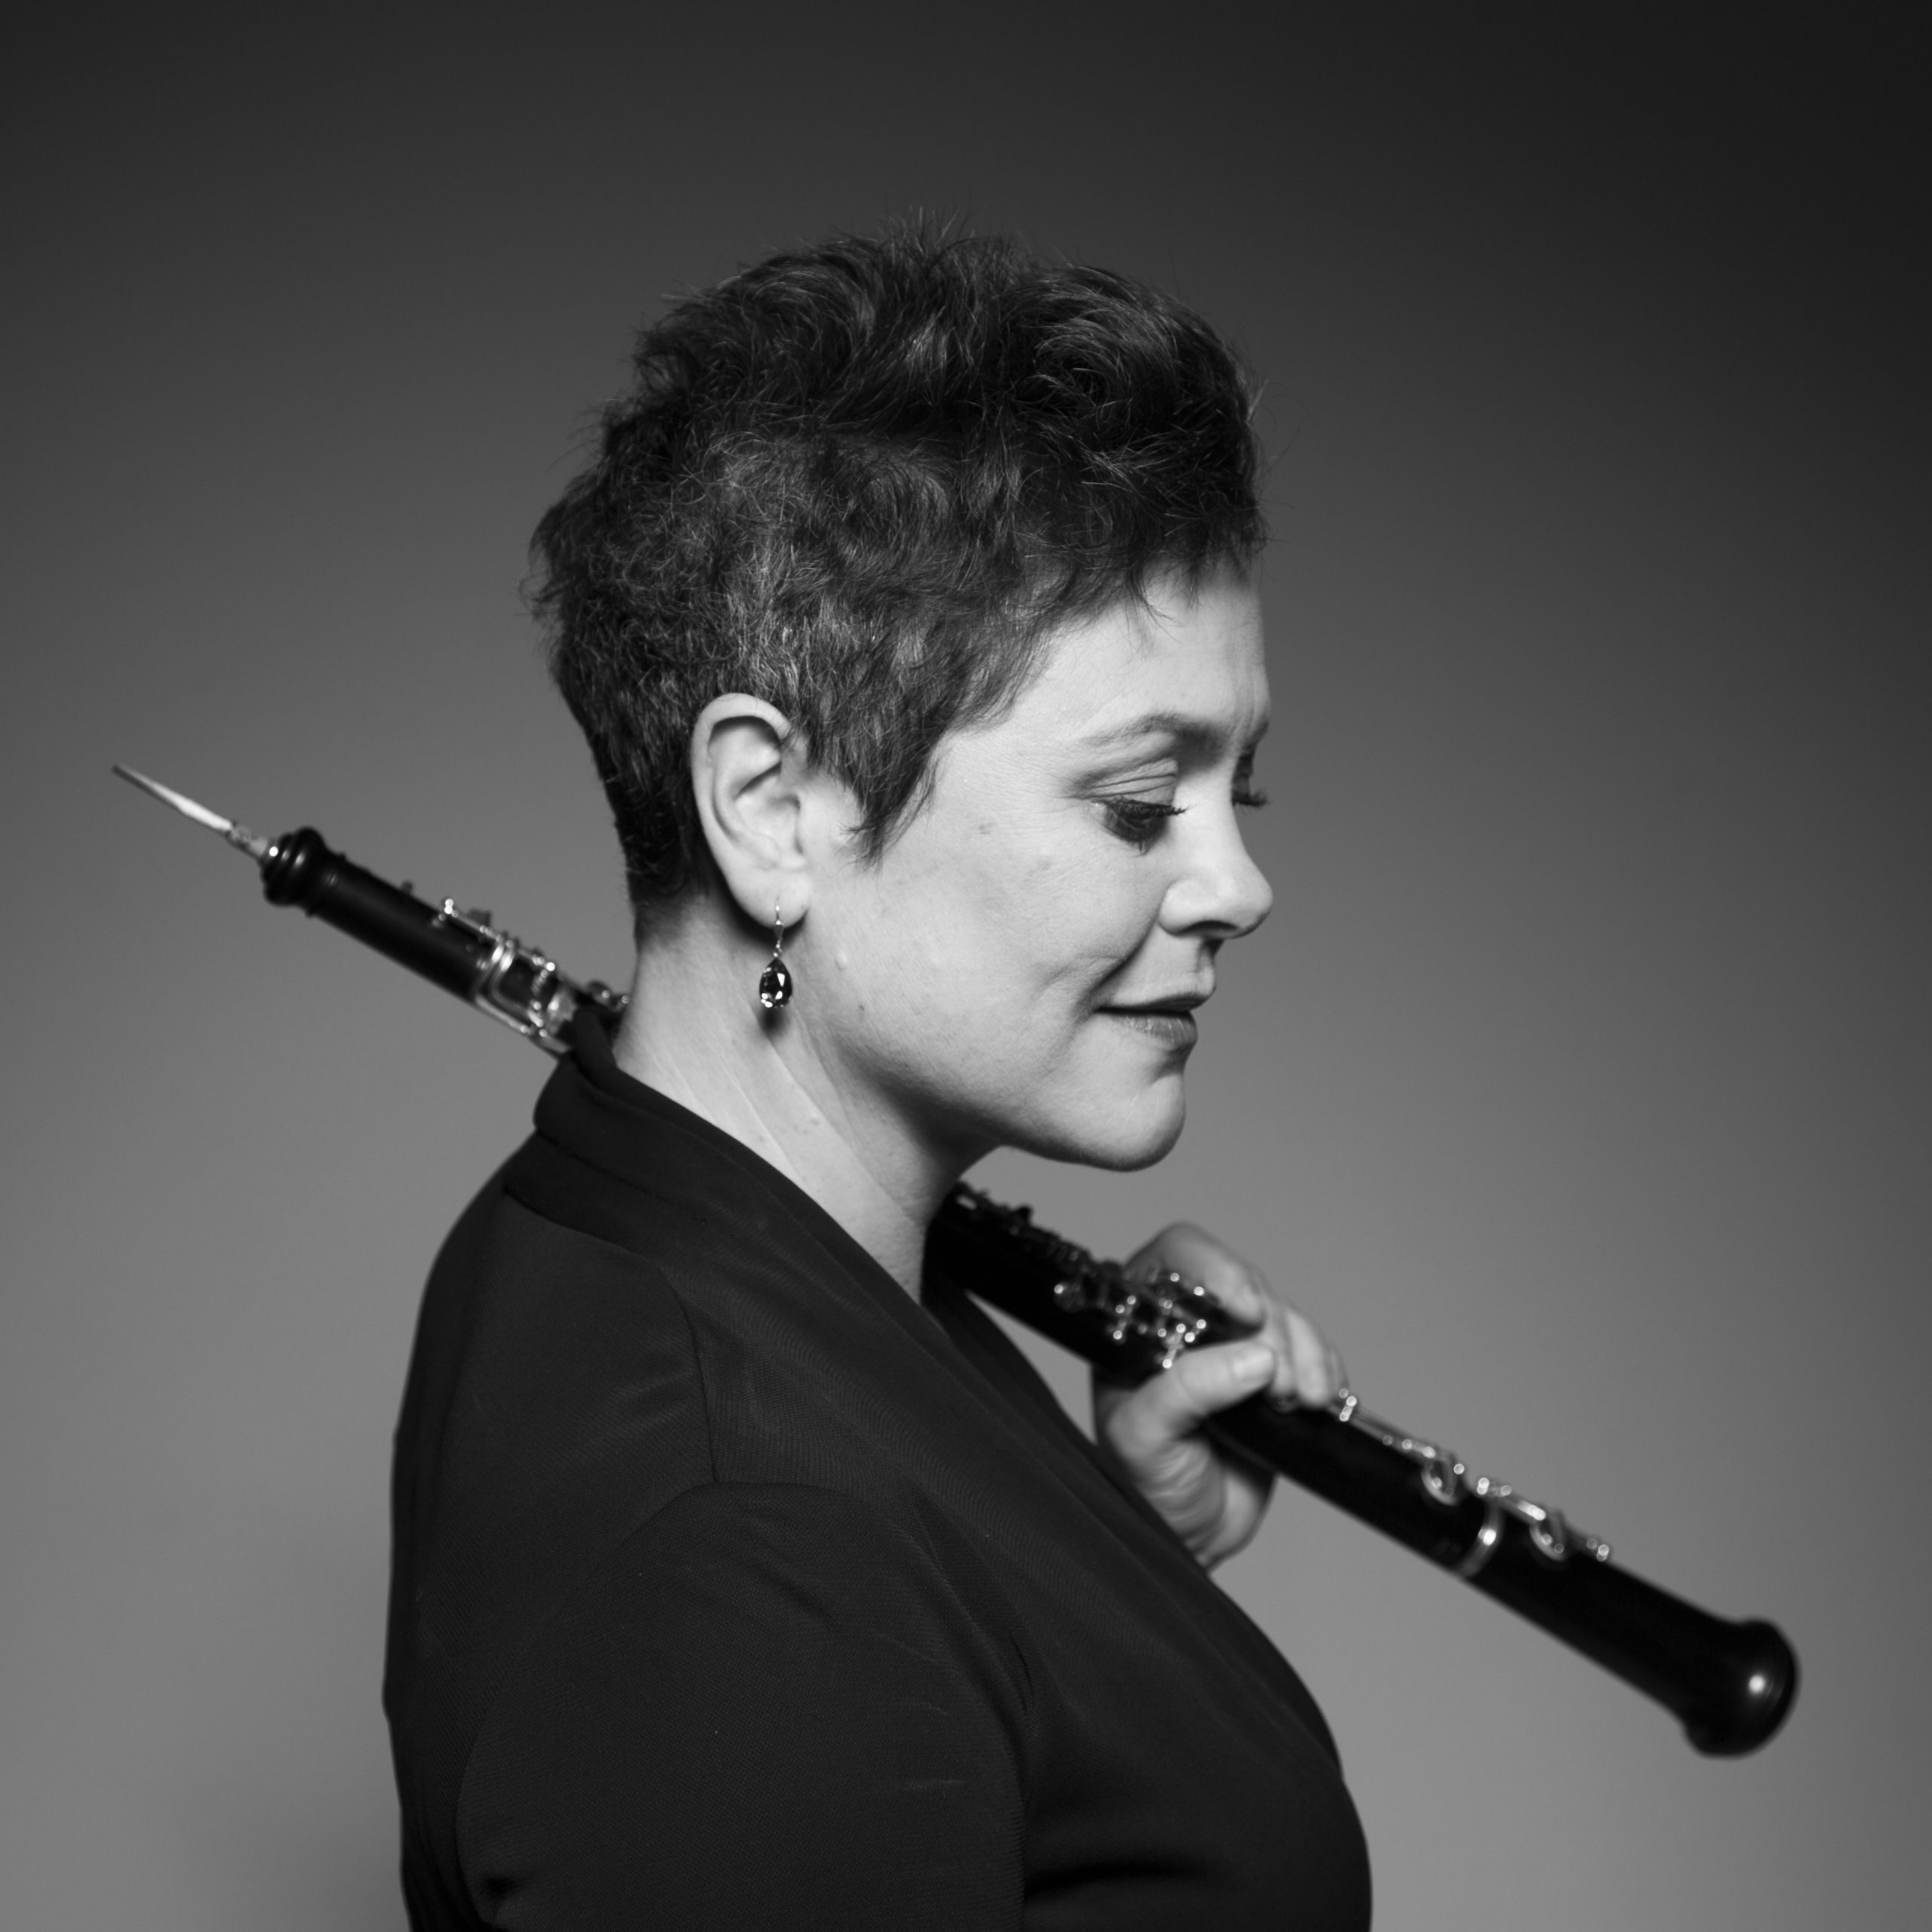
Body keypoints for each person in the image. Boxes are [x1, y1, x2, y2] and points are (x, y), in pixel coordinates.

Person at [383, 227, 1373, 1930]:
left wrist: (1111, 1567)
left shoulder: (685, 1239)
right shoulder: (745, 1544)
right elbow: (794, 1652)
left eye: (1241, 797)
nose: (1237, 885)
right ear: (773, 810)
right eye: (1140, 805)